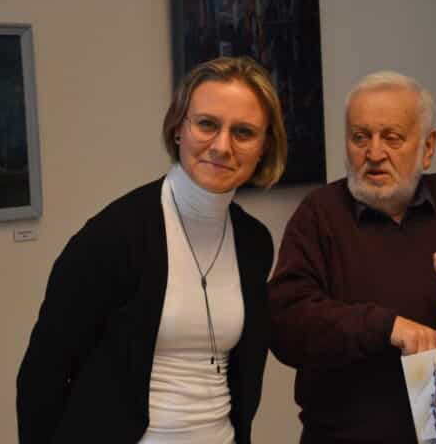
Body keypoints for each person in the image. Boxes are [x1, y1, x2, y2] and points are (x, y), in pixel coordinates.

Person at [16, 56, 288, 444]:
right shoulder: (113, 237)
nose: (222, 146)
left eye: (243, 132)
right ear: (178, 129)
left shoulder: (254, 242)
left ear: (264, 146)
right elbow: (43, 375)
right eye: (207, 124)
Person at [268, 71, 436, 443]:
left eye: (392, 138)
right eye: (360, 137)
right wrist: (385, 327)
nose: (374, 154)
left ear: (427, 147)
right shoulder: (319, 215)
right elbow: (286, 325)